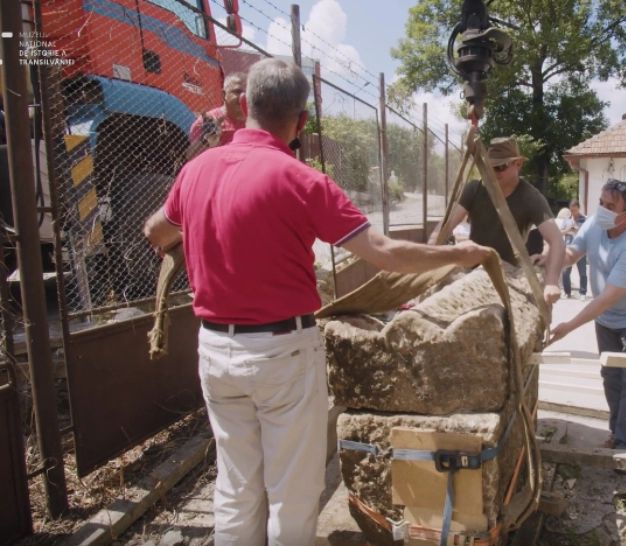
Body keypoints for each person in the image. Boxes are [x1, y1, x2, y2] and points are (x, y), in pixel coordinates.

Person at [143, 58, 490, 546]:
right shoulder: (302, 181)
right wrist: (459, 254)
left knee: (237, 484)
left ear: (243, 105)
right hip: (282, 354)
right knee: (292, 490)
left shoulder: (195, 171)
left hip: (216, 352)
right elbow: (385, 253)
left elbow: (156, 231)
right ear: (302, 120)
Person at [547, 179, 626, 450]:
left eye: (610, 206)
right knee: (611, 378)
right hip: (607, 320)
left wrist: (568, 326)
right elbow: (572, 254)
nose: (602, 210)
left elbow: (606, 299)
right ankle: (616, 430)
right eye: (601, 203)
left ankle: (624, 442)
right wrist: (548, 264)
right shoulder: (595, 224)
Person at [433, 137, 564, 305]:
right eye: (489, 167)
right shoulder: (474, 189)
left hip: (508, 275)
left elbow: (556, 240)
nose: (493, 172)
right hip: (470, 269)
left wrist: (552, 282)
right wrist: (428, 254)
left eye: (500, 167)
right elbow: (445, 226)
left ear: (518, 164)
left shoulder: (531, 198)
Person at [184, 72, 247, 161]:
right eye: (237, 92)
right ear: (223, 95)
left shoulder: (256, 122)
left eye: (247, 92)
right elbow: (191, 158)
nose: (244, 96)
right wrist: (205, 141)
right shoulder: (208, 122)